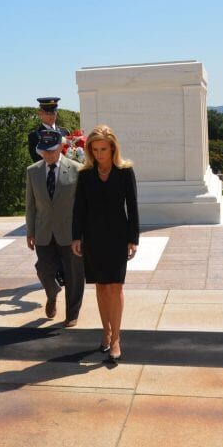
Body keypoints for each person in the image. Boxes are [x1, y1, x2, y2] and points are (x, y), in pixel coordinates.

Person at [71, 125, 139, 361]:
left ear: (112, 148)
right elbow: (79, 208)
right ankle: (106, 331)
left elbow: (133, 207)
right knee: (101, 287)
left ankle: (117, 338)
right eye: (95, 149)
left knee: (115, 287)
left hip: (118, 238)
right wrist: (76, 237)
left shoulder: (125, 172)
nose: (99, 154)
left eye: (103, 149)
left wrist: (133, 239)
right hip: (93, 238)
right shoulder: (85, 174)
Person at [25, 130, 85, 327]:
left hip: (70, 232)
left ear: (60, 147)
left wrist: (82, 233)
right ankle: (52, 293)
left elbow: (83, 206)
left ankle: (72, 314)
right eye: (44, 151)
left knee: (74, 274)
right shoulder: (32, 171)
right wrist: (30, 231)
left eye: (51, 150)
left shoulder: (77, 169)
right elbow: (30, 205)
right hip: (43, 231)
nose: (48, 154)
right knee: (43, 269)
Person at [27, 97, 70, 163]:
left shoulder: (65, 132)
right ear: (40, 113)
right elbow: (37, 160)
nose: (51, 116)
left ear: (56, 113)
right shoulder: (34, 135)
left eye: (53, 112)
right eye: (48, 113)